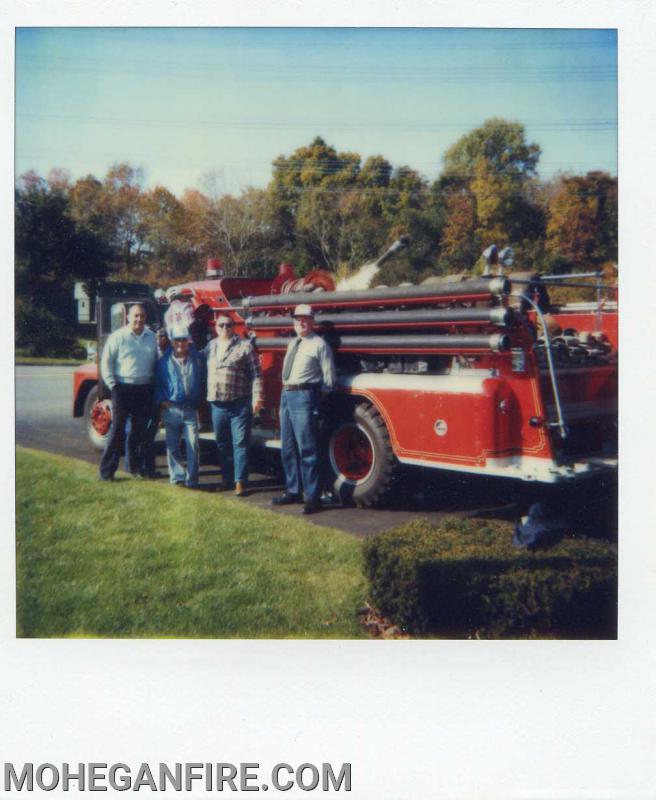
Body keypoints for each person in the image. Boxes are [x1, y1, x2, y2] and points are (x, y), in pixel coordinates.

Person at [272, 304, 336, 514]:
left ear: (312, 321)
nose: (301, 322)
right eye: (298, 319)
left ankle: (313, 497)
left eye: (305, 319)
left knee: (307, 449)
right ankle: (293, 490)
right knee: (288, 448)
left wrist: (313, 400)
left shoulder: (319, 344)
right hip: (287, 394)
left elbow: (329, 380)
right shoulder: (293, 343)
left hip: (304, 396)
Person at [205, 314, 264, 496]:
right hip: (217, 404)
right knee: (222, 444)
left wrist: (257, 399)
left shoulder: (245, 346)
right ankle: (226, 479)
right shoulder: (210, 346)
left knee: (240, 444)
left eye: (229, 325)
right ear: (216, 327)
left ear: (234, 327)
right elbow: (194, 359)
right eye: (221, 325)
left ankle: (240, 482)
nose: (225, 328)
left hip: (239, 404)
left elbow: (256, 374)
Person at [99, 304, 157, 481]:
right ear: (128, 318)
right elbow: (105, 362)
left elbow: (155, 360)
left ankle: (134, 469)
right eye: (136, 316)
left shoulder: (151, 336)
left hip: (144, 389)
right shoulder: (118, 337)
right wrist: (113, 385)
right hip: (122, 389)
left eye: (142, 316)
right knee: (117, 431)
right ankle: (107, 473)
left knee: (138, 432)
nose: (139, 319)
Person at [154, 325, 206, 488]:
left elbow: (204, 379)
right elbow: (157, 384)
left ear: (188, 341)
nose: (180, 344)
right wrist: (162, 401)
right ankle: (177, 478)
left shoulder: (197, 359)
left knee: (193, 445)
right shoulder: (163, 362)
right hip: (172, 409)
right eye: (177, 340)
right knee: (173, 446)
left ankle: (192, 480)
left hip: (190, 409)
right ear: (171, 341)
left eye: (184, 340)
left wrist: (199, 402)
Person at [125, 327, 171, 478]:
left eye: (164, 336)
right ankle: (133, 467)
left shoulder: (169, 354)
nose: (161, 339)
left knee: (150, 435)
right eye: (159, 336)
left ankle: (149, 469)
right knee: (135, 431)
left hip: (156, 397)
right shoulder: (150, 352)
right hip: (141, 393)